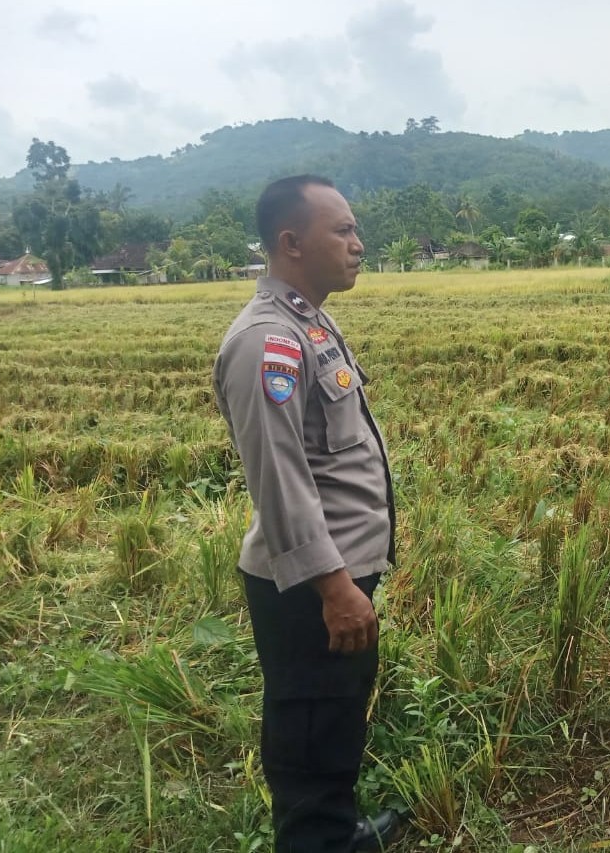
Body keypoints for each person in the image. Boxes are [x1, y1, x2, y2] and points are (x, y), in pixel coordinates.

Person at [213, 175, 400, 852]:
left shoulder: (309, 319)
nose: (358, 244)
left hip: (339, 575)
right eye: (342, 231)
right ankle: (316, 838)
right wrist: (334, 585)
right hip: (312, 588)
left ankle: (335, 829)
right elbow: (280, 481)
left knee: (335, 720)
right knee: (310, 727)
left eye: (354, 230)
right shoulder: (269, 341)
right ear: (291, 242)